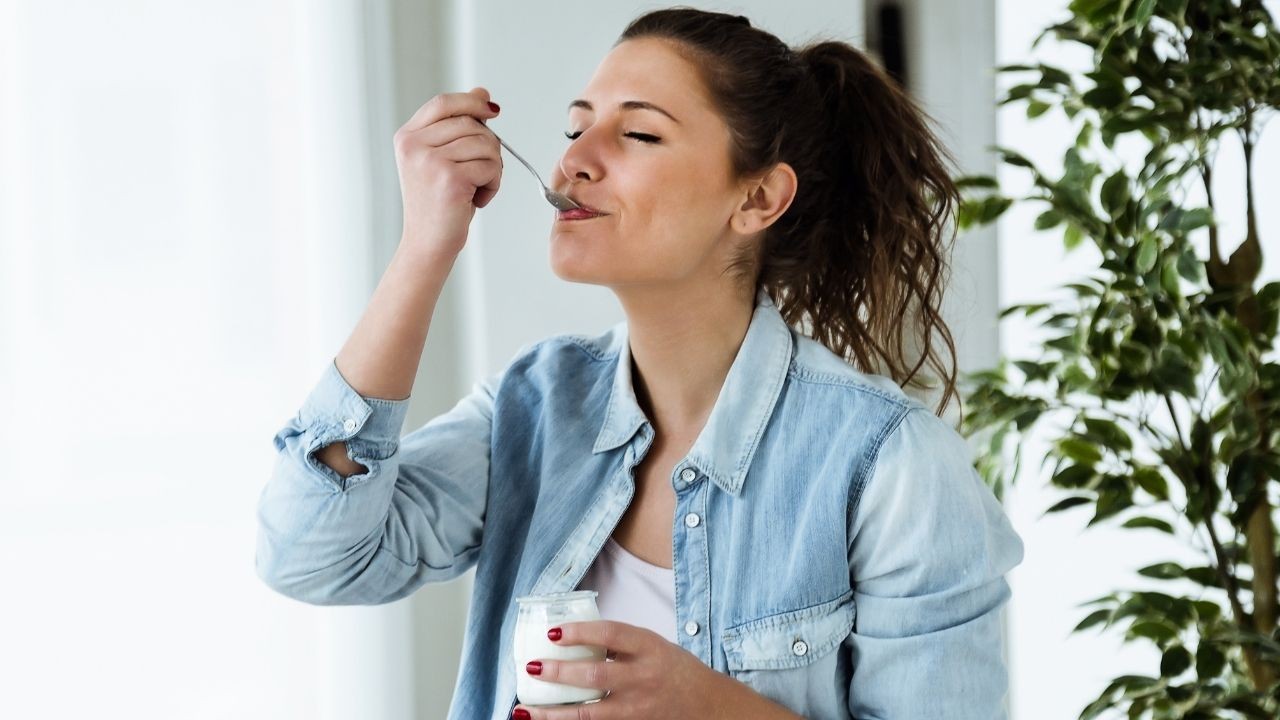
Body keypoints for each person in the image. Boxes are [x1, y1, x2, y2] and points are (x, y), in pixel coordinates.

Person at [256, 7, 1025, 720]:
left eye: (639, 135)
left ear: (757, 198)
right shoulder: (534, 408)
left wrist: (712, 706)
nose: (573, 164)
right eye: (574, 128)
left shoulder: (889, 465)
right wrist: (425, 246)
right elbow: (312, 557)